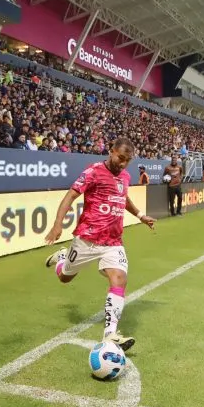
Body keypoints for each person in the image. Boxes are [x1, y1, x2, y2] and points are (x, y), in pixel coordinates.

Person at [43, 137, 155, 352]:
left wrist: (141, 216)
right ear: (111, 151)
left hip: (113, 242)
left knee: (119, 277)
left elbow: (123, 198)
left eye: (127, 161)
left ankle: (110, 334)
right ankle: (63, 258)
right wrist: (57, 225)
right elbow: (70, 197)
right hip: (87, 240)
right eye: (120, 158)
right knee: (65, 278)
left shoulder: (125, 176)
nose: (123, 164)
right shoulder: (93, 171)